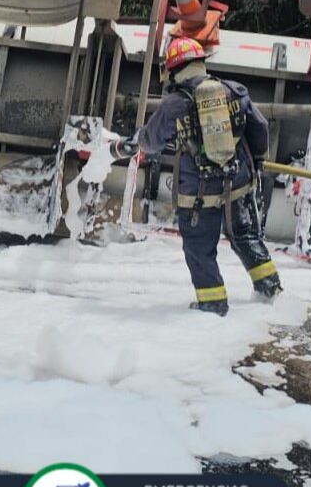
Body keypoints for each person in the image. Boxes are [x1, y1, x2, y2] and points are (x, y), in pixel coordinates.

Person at [113, 36, 282, 316]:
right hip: (238, 185)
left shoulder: (174, 104)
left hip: (199, 195)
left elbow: (151, 142)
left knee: (200, 249)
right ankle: (271, 290)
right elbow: (260, 127)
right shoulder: (234, 91)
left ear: (174, 71)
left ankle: (213, 303)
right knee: (246, 236)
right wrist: (259, 159)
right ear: (202, 62)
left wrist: (137, 141)